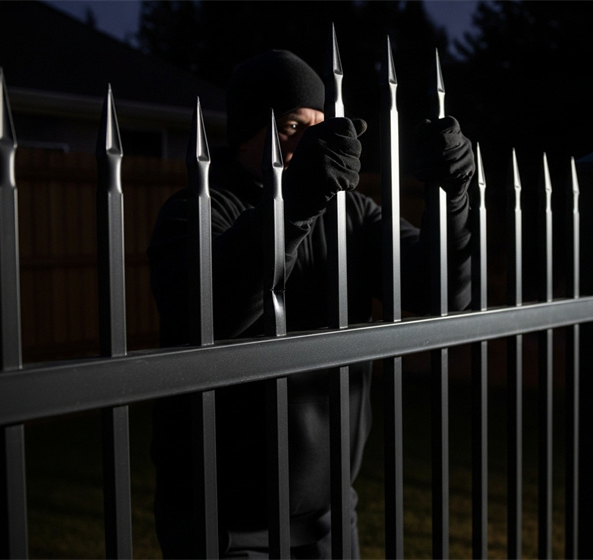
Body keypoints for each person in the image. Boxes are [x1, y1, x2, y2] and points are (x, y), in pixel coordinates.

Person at [148, 49, 475, 559]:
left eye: (318, 129)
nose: (309, 144)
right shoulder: (198, 209)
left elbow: (443, 293)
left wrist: (450, 199)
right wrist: (294, 201)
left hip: (329, 515)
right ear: (247, 132)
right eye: (292, 128)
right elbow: (210, 314)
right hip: (225, 524)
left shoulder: (352, 214)